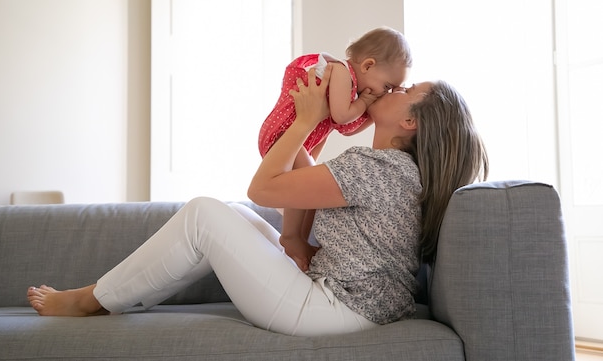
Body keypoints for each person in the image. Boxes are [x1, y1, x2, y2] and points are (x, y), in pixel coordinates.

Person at [27, 65, 488, 337]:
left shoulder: (376, 169)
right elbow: (305, 183)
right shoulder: (395, 172)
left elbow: (264, 187)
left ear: (411, 123)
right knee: (238, 218)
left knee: (205, 214)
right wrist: (308, 124)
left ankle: (92, 301)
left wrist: (305, 121)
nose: (392, 89)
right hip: (356, 306)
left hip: (333, 310)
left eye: (406, 92)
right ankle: (116, 297)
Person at [258, 26, 413, 267]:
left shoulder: (350, 86)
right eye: (387, 86)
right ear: (368, 65)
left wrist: (371, 110)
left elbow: (347, 128)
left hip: (299, 137)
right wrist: (364, 101)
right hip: (284, 132)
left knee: (308, 193)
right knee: (306, 178)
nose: (387, 93)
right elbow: (342, 117)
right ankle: (290, 236)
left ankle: (298, 237)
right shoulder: (341, 72)